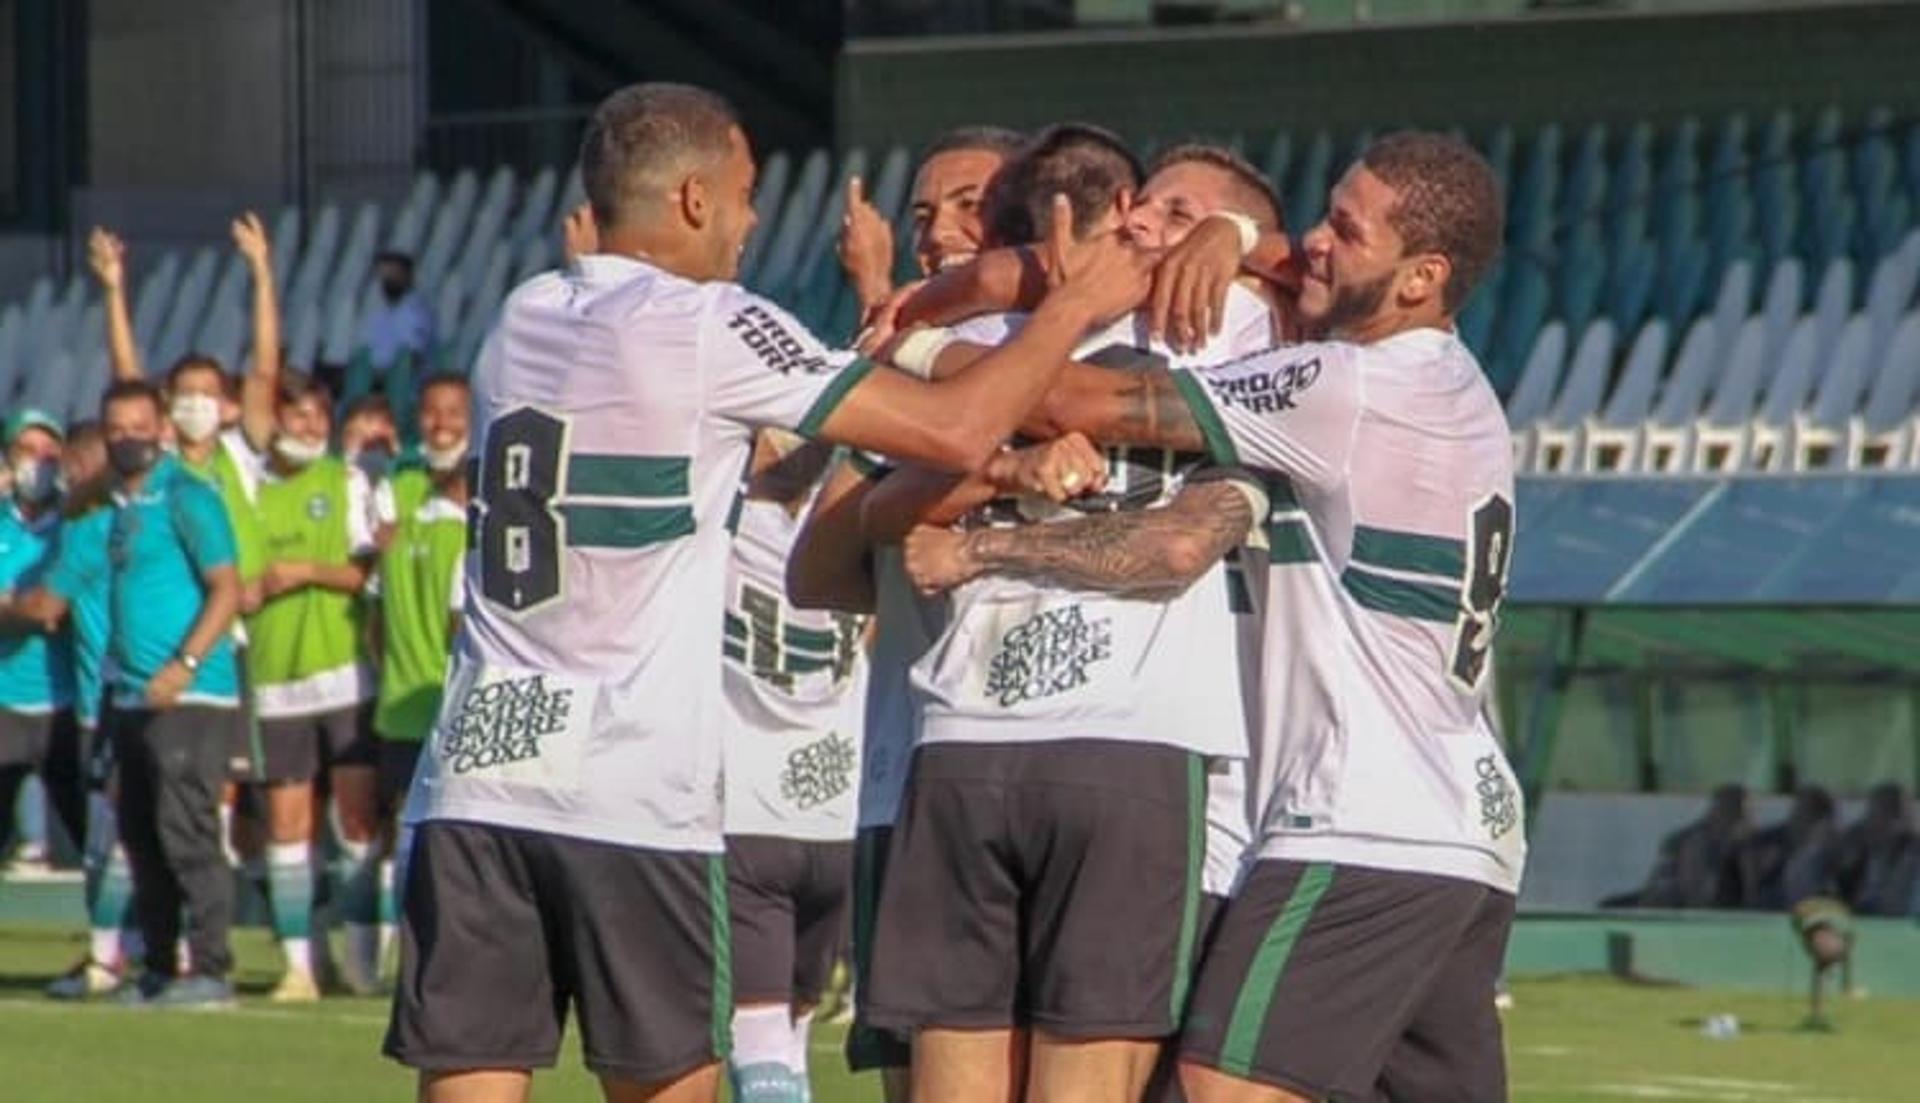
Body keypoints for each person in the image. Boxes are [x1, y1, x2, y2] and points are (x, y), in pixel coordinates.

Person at [382, 81, 1149, 1103]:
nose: (751, 221)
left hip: (478, 769)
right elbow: (958, 427)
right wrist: (1071, 306)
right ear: (695, 200)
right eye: (743, 195)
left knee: (469, 1078)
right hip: (629, 784)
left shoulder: (520, 316)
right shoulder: (710, 323)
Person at [914, 131, 1520, 1102]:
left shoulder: (1344, 387)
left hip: (1364, 816)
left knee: (1224, 1079)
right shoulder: (1450, 377)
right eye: (1321, 214)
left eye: (1346, 230)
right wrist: (1236, 231)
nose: (1315, 241)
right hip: (1469, 823)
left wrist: (916, 336)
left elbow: (1087, 398)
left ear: (1421, 278)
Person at [848, 124, 1272, 1103]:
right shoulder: (1229, 321)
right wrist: (1234, 243)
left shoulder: (955, 350)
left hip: (962, 737)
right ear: (1118, 214)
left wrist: (918, 316)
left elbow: (872, 504)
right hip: (1130, 745)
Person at [38, 379, 243, 1008]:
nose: (127, 437)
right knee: (143, 835)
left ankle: (211, 968)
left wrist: (184, 663)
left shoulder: (188, 495)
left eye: (138, 425)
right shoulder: (119, 511)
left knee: (188, 833)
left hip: (190, 695)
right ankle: (158, 968)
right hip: (130, 696)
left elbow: (227, 587)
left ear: (161, 429)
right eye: (115, 428)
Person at [719, 433, 869, 1103]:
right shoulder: (847, 526)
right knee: (796, 1030)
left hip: (747, 811)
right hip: (836, 811)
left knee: (757, 1041)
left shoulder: (720, 524)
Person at [249, 368, 383, 1000]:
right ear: (274, 419)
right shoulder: (249, 488)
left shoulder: (346, 480)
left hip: (344, 674)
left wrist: (301, 570)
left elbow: (364, 572)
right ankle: (300, 964)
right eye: (298, 415)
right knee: (287, 823)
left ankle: (359, 962)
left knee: (355, 819)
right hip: (275, 678)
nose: (310, 428)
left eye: (318, 418)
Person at [11, 423, 141, 998]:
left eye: (74, 463)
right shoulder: (80, 530)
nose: (66, 474)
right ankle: (123, 953)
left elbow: (45, 607)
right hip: (90, 704)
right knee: (110, 841)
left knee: (124, 838)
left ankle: (121, 955)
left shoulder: (105, 528)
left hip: (118, 700)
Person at [368, 372, 471, 902]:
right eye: (433, 411)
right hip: (403, 703)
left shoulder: (485, 515)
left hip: (459, 702)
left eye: (455, 412)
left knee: (454, 833)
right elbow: (374, 613)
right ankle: (396, 952)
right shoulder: (397, 492)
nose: (442, 424)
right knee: (401, 828)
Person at [0, 410, 81, 873]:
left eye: (50, 453)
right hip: (5, 700)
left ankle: (118, 943)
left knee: (92, 830)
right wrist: (20, 612)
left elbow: (71, 606)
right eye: (28, 452)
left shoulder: (77, 522)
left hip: (65, 702)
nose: (40, 463)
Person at [839, 125, 1026, 321]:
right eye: (923, 217)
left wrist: (874, 285)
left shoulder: (1049, 331)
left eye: (971, 205)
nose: (937, 233)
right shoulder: (935, 332)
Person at [358, 251, 436, 376]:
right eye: (383, 275)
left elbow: (412, 357)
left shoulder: (415, 313)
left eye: (393, 274)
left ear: (407, 276)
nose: (386, 280)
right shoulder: (379, 308)